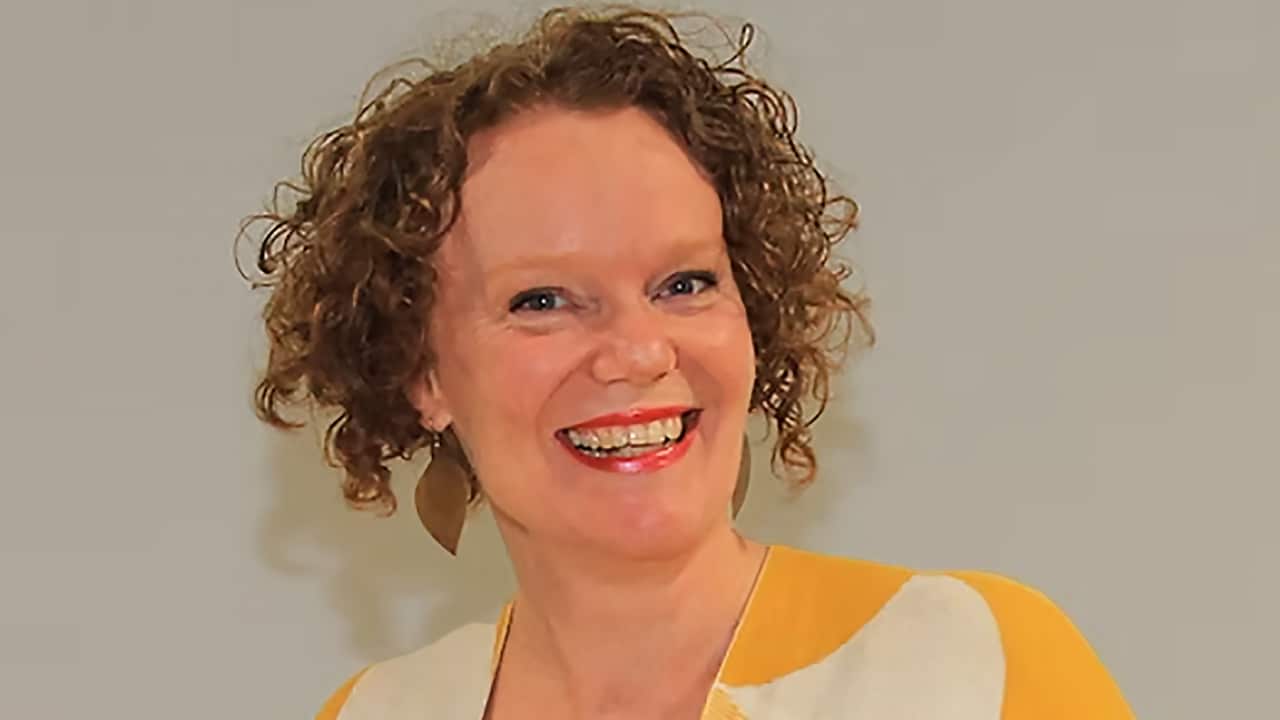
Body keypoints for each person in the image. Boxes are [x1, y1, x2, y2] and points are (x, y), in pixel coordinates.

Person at [241, 6, 1134, 719]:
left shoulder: (968, 666)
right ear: (419, 372)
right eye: (542, 300)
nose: (639, 352)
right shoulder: (378, 711)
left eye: (684, 283)